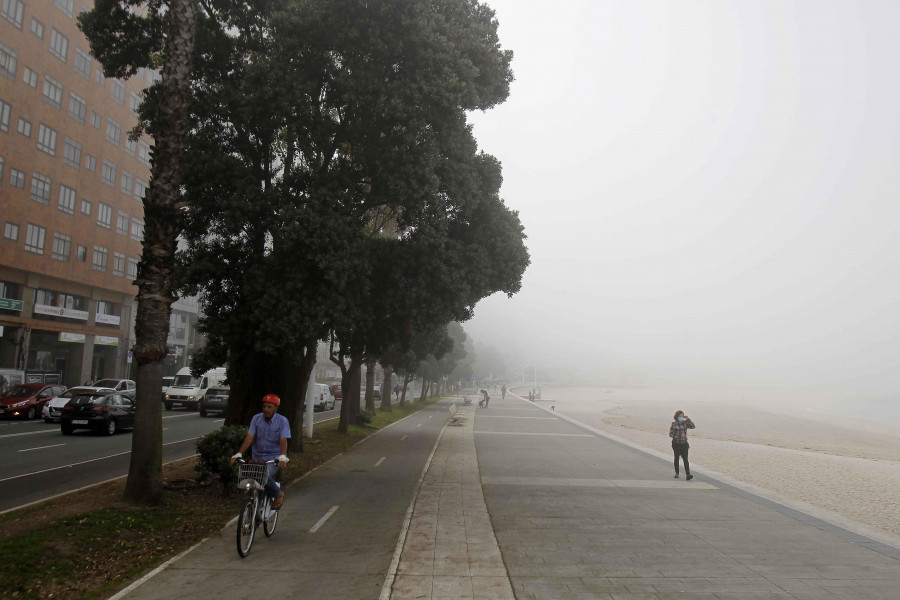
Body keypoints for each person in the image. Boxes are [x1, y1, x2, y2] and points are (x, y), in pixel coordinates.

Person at [231, 394, 291, 509]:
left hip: (274, 458)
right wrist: (239, 453)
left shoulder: (282, 421)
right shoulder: (256, 418)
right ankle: (257, 510)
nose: (266, 409)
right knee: (253, 480)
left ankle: (278, 494)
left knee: (264, 475)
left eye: (269, 407)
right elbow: (249, 437)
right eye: (264, 406)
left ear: (276, 408)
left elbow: (283, 439)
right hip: (257, 457)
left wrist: (282, 455)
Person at [669, 410, 695, 480]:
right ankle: (677, 473)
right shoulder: (674, 424)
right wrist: (679, 435)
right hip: (676, 444)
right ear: (677, 417)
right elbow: (670, 434)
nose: (681, 417)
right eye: (680, 416)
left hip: (684, 444)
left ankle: (688, 474)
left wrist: (688, 419)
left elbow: (693, 426)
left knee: (685, 459)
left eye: (682, 416)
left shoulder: (685, 423)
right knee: (676, 458)